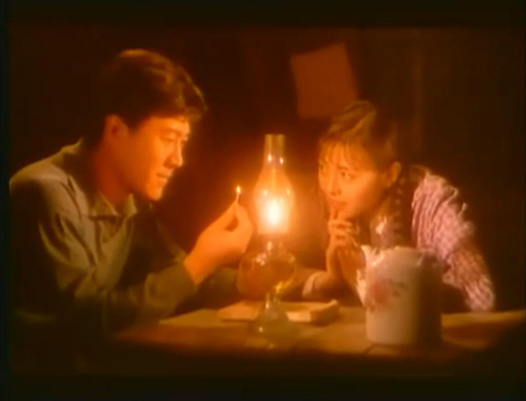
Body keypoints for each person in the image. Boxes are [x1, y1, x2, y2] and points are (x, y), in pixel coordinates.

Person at [10, 49, 254, 362]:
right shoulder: (44, 193)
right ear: (116, 130)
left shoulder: (133, 200)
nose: (178, 160)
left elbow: (176, 278)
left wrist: (252, 280)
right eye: (168, 138)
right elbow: (85, 321)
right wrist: (199, 263)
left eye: (183, 142)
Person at [289, 100, 495, 312]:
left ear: (389, 175)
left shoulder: (431, 204)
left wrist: (371, 279)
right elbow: (279, 272)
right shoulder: (328, 201)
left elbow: (481, 298)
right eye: (323, 168)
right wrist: (331, 279)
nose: (330, 187)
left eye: (346, 175)